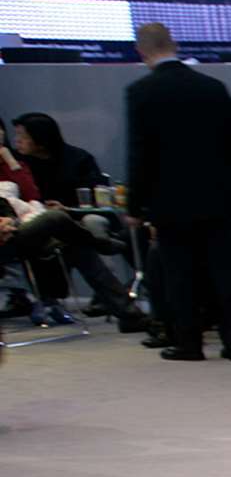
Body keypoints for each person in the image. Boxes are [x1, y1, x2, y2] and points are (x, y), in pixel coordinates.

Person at [125, 21, 231, 362]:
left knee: (180, 274)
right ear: (174, 44)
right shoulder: (213, 88)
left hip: (170, 199)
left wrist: (135, 204)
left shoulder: (141, 92)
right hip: (217, 195)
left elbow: (140, 153)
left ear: (141, 51)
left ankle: (189, 342)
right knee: (224, 271)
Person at [5, 114, 143, 328]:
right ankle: (100, 243)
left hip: (37, 224)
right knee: (58, 220)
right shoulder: (17, 162)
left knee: (77, 245)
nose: (16, 141)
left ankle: (129, 314)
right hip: (15, 230)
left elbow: (30, 192)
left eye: (22, 136)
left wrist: (9, 160)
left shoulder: (74, 159)